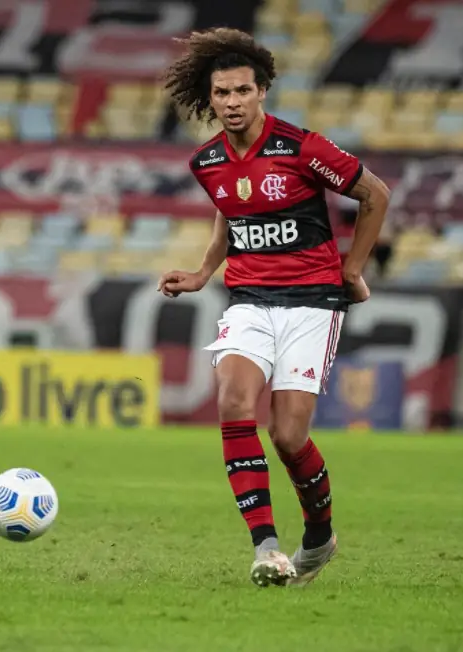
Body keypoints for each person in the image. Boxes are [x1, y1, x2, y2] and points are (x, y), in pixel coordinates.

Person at [156, 27, 390, 588]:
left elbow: (375, 195)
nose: (232, 103)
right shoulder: (206, 161)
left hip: (311, 304)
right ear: (209, 99)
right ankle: (266, 547)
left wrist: (351, 269)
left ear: (262, 91)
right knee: (234, 402)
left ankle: (320, 532)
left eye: (242, 91)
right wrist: (203, 273)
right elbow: (229, 213)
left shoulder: (303, 148)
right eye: (222, 94)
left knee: (288, 437)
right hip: (250, 302)